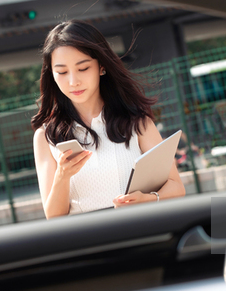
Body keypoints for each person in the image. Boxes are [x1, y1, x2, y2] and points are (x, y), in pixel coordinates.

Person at [31, 20, 185, 218]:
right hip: (89, 244)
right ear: (51, 74)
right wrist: (62, 175)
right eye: (61, 72)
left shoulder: (137, 122)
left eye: (83, 68)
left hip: (139, 234)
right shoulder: (46, 136)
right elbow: (53, 215)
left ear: (101, 66)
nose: (73, 81)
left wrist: (147, 199)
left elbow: (176, 187)